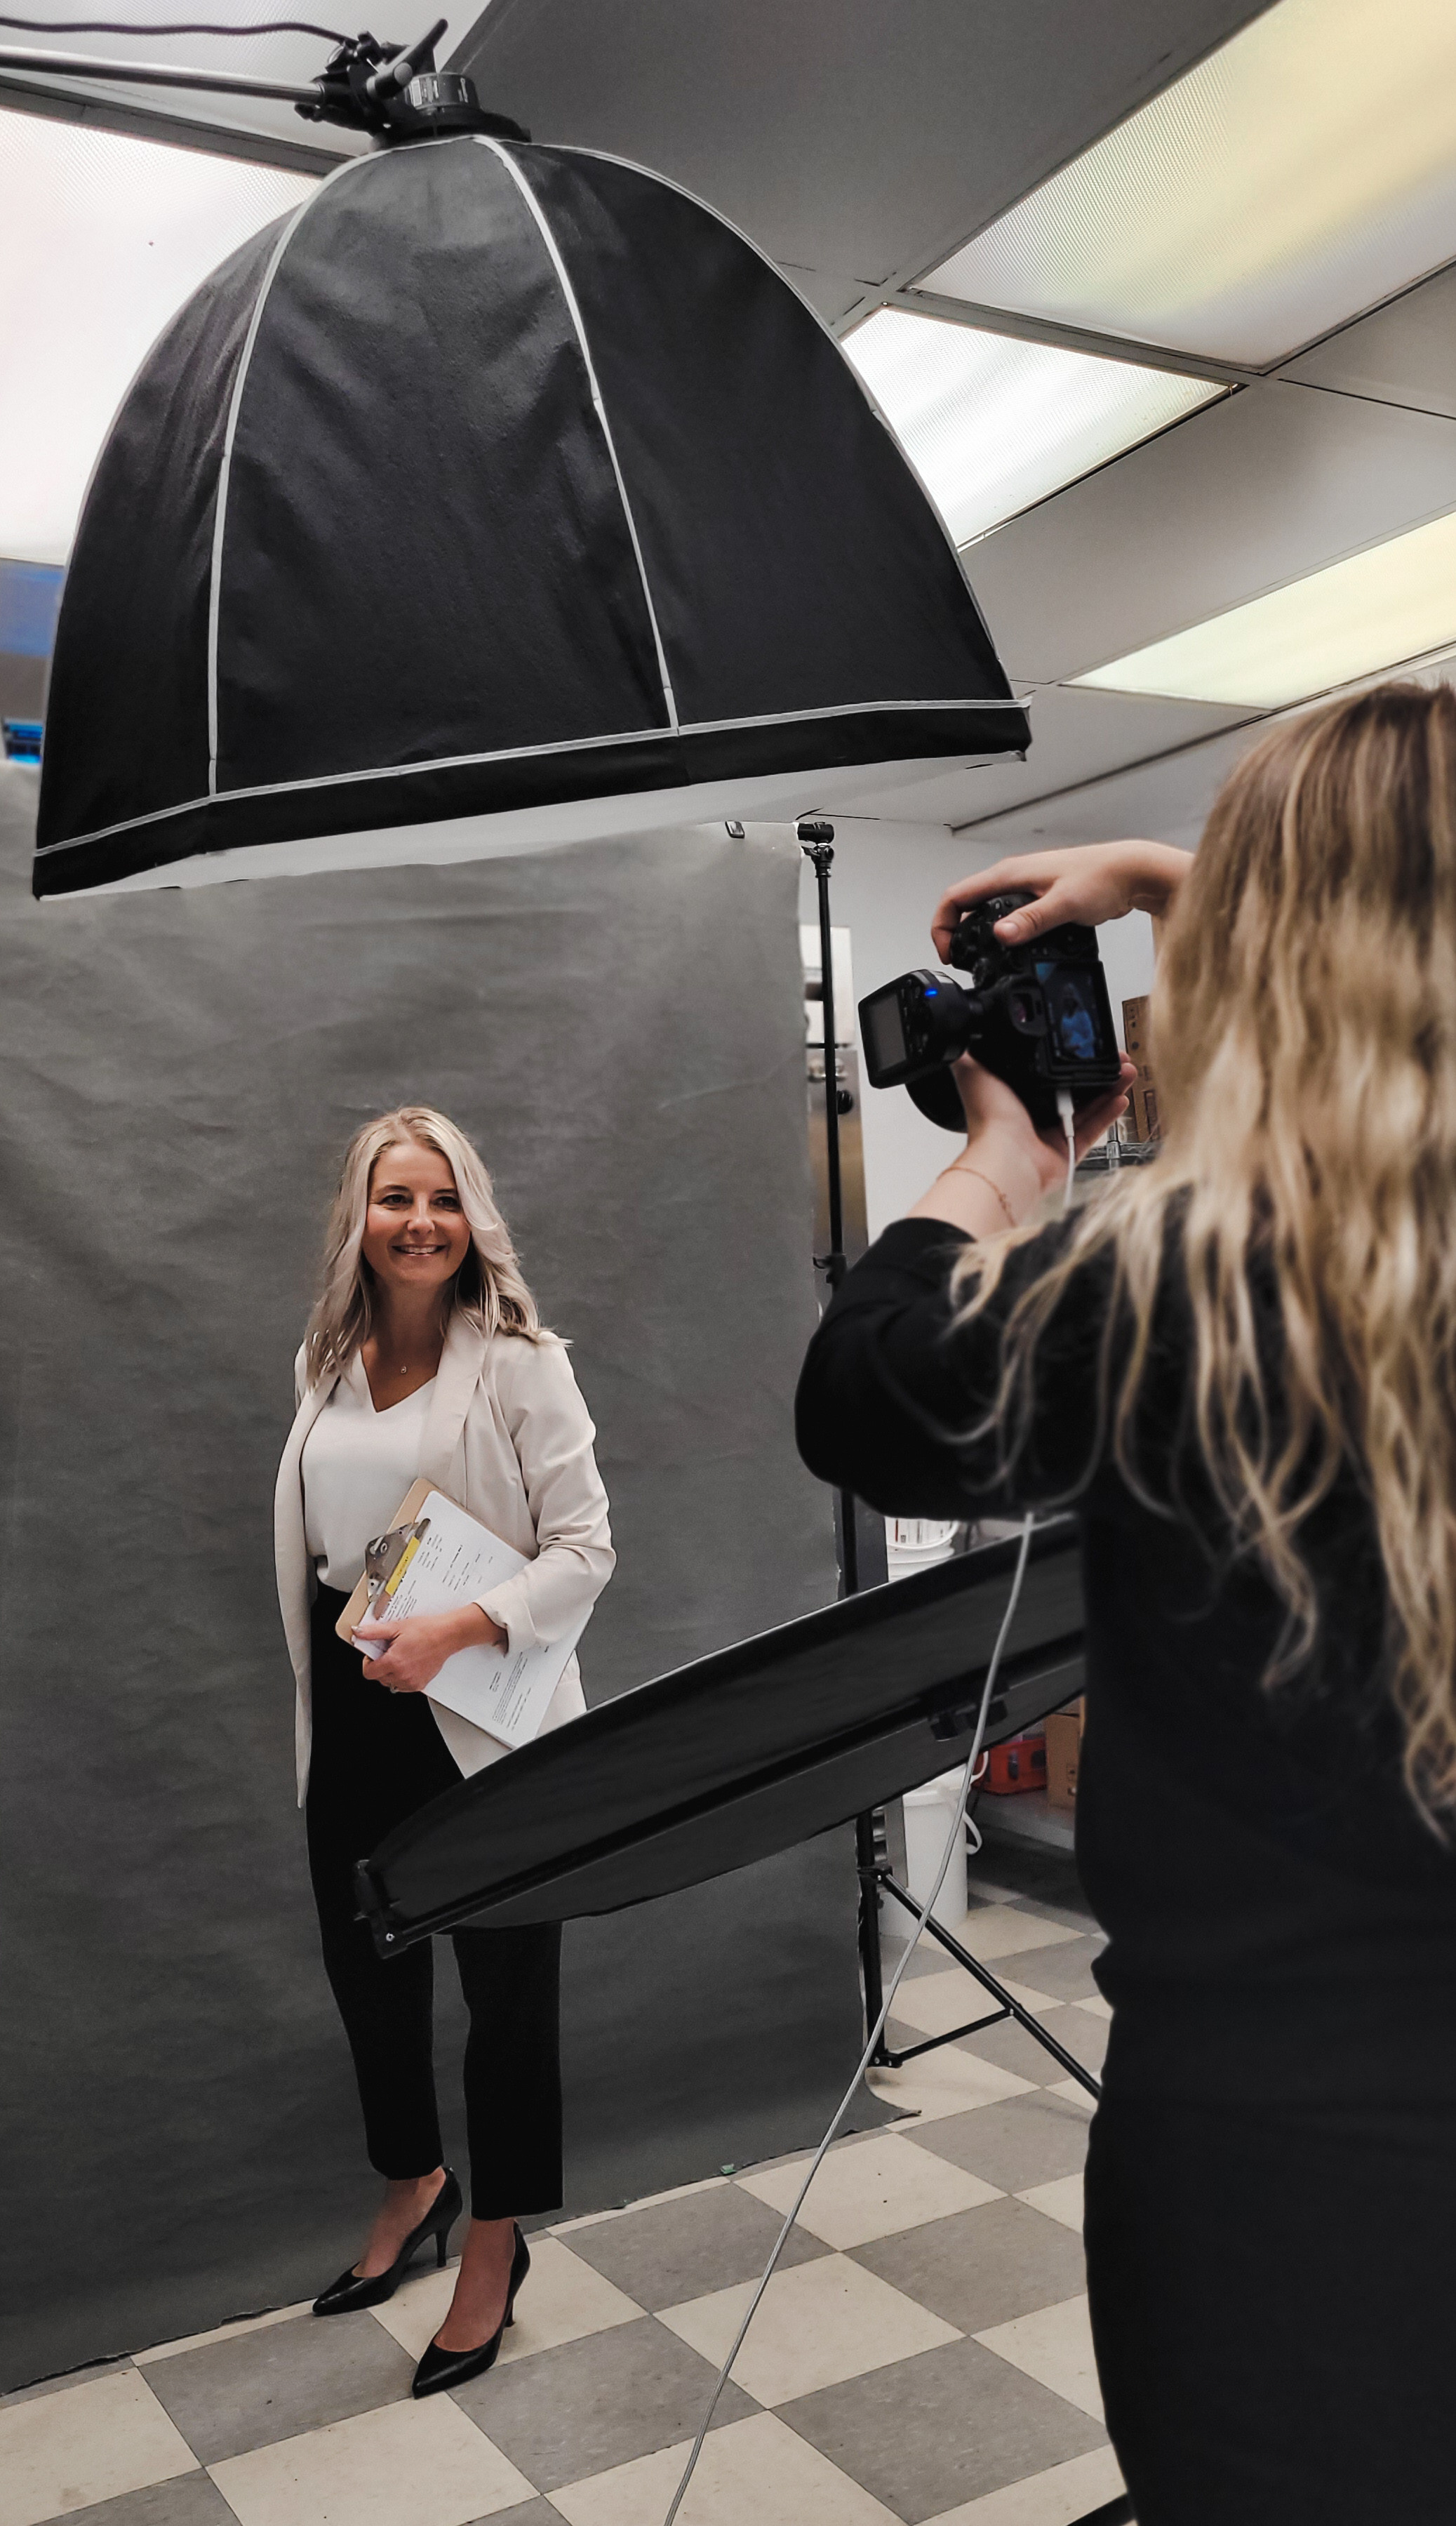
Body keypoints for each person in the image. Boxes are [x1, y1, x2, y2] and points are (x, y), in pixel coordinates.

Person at [795, 683, 1456, 2526]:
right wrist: (1202, 884)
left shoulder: (1186, 1291)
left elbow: (868, 1393)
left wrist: (1014, 1156)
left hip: (1272, 2178)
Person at [274, 1105, 613, 2398]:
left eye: (442, 1198)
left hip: (483, 1708)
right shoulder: (323, 1360)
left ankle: (495, 2243)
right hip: (356, 1700)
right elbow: (319, 1547)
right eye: (394, 1197)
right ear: (358, 1217)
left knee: (508, 1993)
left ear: (473, 1218)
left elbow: (587, 1549)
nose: (420, 1222)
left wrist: (458, 1629)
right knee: (366, 1966)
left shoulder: (524, 1361)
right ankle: (414, 2180)